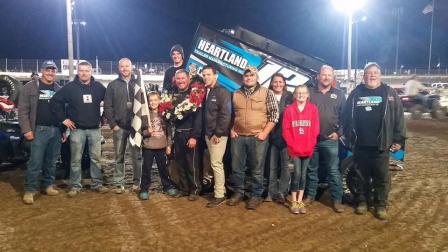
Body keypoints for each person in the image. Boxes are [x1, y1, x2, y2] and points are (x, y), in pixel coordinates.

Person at [342, 62, 405, 220]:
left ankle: (380, 205)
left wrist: (399, 139)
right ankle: (362, 202)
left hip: (382, 144)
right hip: (360, 144)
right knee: (360, 176)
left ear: (380, 74)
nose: (372, 75)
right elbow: (346, 116)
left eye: (375, 72)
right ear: (364, 76)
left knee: (381, 177)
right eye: (368, 73)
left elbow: (399, 117)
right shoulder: (356, 93)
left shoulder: (389, 93)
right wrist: (348, 135)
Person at [51, 61, 109, 197]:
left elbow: (109, 101)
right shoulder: (70, 87)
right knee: (75, 159)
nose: (84, 73)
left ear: (91, 72)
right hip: (77, 130)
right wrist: (64, 119)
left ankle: (97, 184)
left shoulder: (99, 87)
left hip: (95, 129)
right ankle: (75, 185)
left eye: (87, 71)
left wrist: (105, 116)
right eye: (81, 70)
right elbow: (55, 101)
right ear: (78, 71)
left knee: (96, 159)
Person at [227, 66, 279, 210]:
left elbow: (274, 115)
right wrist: (231, 129)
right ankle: (239, 193)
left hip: (258, 137)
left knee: (257, 169)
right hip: (238, 137)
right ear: (242, 78)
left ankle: (255, 196)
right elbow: (231, 115)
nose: (249, 78)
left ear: (257, 77)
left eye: (251, 75)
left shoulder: (267, 93)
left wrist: (264, 133)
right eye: (246, 76)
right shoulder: (235, 93)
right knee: (237, 168)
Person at [18, 60, 63, 204]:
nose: (50, 73)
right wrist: (27, 130)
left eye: (53, 70)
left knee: (51, 161)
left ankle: (48, 185)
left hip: (55, 130)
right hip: (38, 130)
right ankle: (30, 190)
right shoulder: (30, 87)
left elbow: (63, 111)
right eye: (47, 70)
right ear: (42, 71)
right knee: (35, 161)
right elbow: (23, 110)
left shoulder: (58, 89)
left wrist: (63, 131)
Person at [305, 65, 346, 213]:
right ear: (318, 76)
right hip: (311, 139)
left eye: (329, 75)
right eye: (324, 75)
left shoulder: (340, 95)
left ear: (333, 77)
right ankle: (310, 196)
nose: (326, 77)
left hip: (330, 139)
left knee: (333, 171)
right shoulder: (309, 92)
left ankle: (337, 200)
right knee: (311, 169)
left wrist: (339, 133)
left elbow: (345, 117)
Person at [104, 58, 142, 194]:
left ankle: (137, 182)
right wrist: (113, 124)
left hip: (135, 127)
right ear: (118, 68)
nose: (125, 69)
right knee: (119, 156)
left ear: (131, 67)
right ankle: (119, 183)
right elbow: (107, 106)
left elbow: (144, 104)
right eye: (122, 66)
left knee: (136, 156)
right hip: (119, 127)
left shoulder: (138, 84)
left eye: (127, 66)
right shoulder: (112, 85)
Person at [283, 85, 319, 214]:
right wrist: (292, 145)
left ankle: (300, 200)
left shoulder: (313, 109)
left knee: (303, 175)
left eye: (303, 93)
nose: (301, 95)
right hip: (294, 149)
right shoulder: (289, 110)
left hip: (308, 149)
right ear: (294, 95)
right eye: (298, 93)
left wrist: (311, 144)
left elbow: (315, 129)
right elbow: (286, 131)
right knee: (296, 174)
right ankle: (293, 201)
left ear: (308, 95)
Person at [139, 92, 179, 200]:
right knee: (146, 169)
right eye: (150, 100)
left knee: (163, 169)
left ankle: (167, 186)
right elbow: (139, 131)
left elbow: (169, 132)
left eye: (155, 100)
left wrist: (169, 145)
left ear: (159, 100)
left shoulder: (165, 114)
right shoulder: (144, 115)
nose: (153, 102)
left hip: (161, 146)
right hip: (148, 147)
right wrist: (147, 132)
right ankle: (144, 189)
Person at [202, 65, 232, 208]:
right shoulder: (206, 91)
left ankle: (219, 195)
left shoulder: (222, 92)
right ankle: (219, 190)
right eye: (204, 75)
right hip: (208, 134)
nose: (206, 77)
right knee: (214, 163)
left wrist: (218, 133)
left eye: (208, 74)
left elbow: (226, 114)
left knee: (216, 163)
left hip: (217, 135)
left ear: (216, 76)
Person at [172, 69, 204, 200]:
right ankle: (184, 189)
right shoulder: (172, 95)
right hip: (178, 134)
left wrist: (194, 136)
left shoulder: (195, 94)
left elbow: (198, 118)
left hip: (190, 134)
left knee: (192, 164)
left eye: (183, 78)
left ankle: (195, 189)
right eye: (178, 78)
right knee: (180, 163)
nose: (180, 81)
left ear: (188, 79)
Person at [266, 73, 294, 204]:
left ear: (284, 83)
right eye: (275, 82)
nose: (278, 84)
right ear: (271, 83)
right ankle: (271, 193)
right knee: (272, 168)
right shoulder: (266, 95)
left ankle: (282, 193)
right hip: (271, 138)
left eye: (280, 82)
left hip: (287, 140)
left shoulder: (290, 97)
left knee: (286, 168)